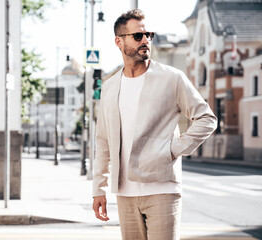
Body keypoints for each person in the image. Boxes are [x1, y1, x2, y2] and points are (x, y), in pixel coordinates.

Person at [92, 9, 217, 240]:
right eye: (138, 36)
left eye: (149, 34)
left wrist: (172, 149)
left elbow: (206, 118)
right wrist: (98, 188)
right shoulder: (110, 87)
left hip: (162, 188)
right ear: (119, 41)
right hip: (125, 192)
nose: (146, 40)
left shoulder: (172, 77)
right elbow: (103, 141)